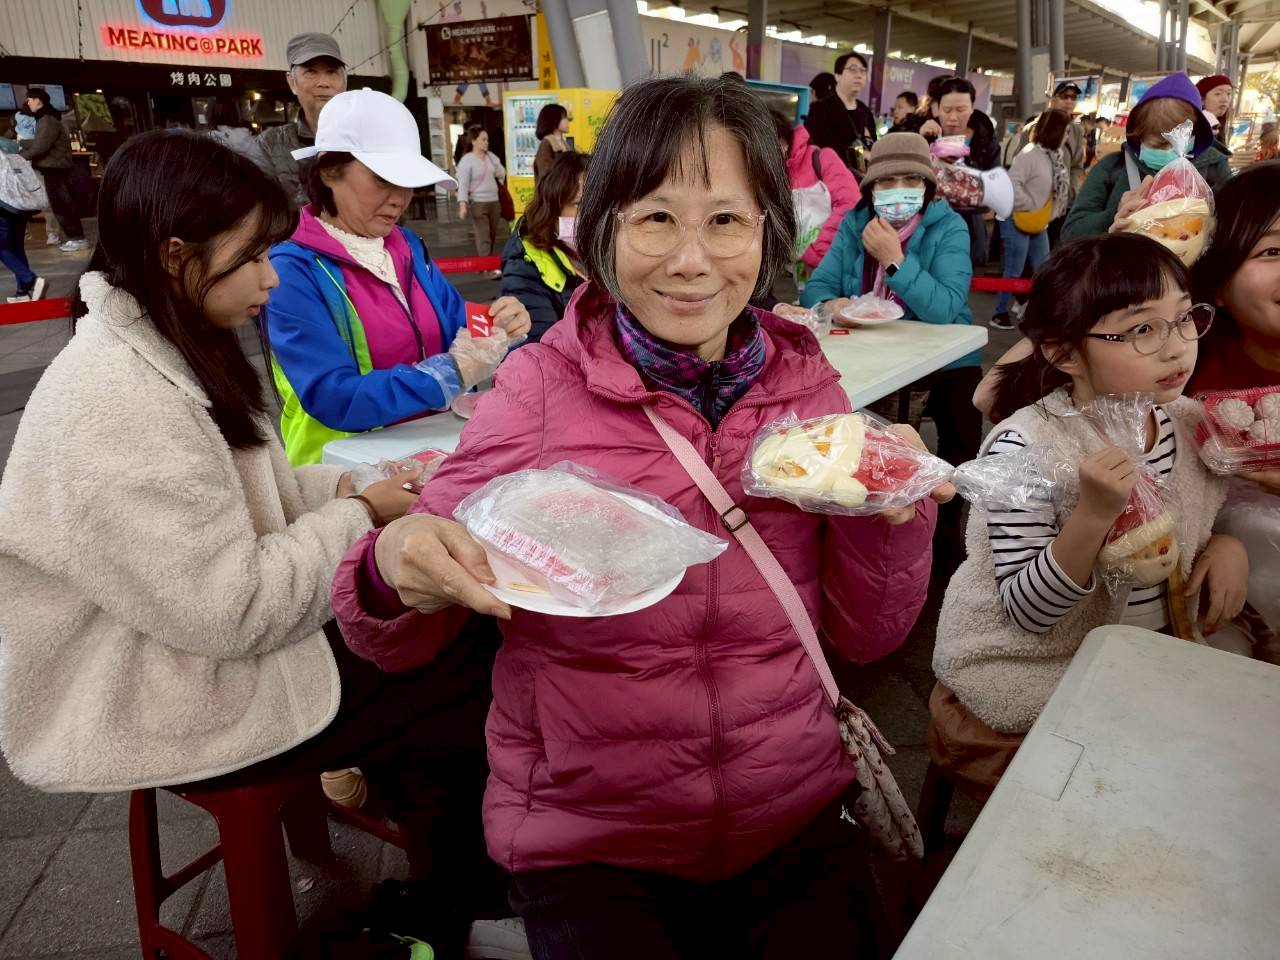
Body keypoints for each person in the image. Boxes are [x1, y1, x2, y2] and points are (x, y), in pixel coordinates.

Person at [333, 74, 948, 960]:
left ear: (770, 232)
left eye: (727, 220)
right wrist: (393, 568)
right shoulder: (538, 388)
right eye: (657, 217)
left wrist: (888, 511)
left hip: (795, 807)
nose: (692, 259)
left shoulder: (805, 387)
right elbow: (388, 635)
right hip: (593, 840)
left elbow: (869, 637)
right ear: (602, 229)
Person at [0, 129, 520, 956]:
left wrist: (357, 494)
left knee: (442, 637)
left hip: (188, 632)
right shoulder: (114, 400)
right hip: (159, 684)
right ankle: (457, 896)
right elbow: (229, 608)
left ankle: (447, 872)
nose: (271, 279)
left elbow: (253, 497)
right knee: (456, 660)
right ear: (176, 254)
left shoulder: (166, 341)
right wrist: (359, 520)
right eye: (251, 258)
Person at [931, 233, 1244, 797]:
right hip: (1040, 668)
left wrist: (1228, 544)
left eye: (1183, 319)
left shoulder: (1189, 424)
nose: (1177, 349)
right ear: (1063, 352)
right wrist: (1094, 513)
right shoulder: (1025, 448)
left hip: (1149, 656)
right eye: (1142, 329)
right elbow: (1028, 612)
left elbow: (1203, 511)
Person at [264, 90, 531, 466]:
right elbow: (332, 395)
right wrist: (446, 374)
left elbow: (457, 322)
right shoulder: (292, 270)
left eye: (408, 182)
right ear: (328, 171)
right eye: (383, 179)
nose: (400, 199)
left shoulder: (403, 246)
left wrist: (500, 325)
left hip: (427, 453)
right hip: (345, 474)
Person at [799, 132, 980, 570]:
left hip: (943, 357)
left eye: (908, 179)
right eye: (886, 182)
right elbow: (816, 290)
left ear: (927, 186)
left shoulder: (949, 226)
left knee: (961, 425)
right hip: (866, 350)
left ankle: (948, 526)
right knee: (842, 420)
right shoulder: (853, 223)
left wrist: (894, 260)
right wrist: (833, 305)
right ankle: (860, 526)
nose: (897, 190)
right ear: (871, 189)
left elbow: (944, 307)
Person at [1061, 73, 1232, 241]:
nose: (1167, 152)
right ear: (1138, 135)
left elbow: (1237, 230)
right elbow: (1071, 232)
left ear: (1194, 135)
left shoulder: (1214, 168)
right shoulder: (1112, 167)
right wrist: (1114, 214)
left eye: (1175, 143)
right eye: (1158, 145)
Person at [991, 110, 1070, 330]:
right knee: (1013, 269)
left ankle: (1029, 308)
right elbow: (1011, 185)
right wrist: (1030, 205)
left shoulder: (1055, 156)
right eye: (1065, 130)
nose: (1067, 135)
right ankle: (999, 313)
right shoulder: (1029, 154)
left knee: (1043, 268)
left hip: (1039, 222)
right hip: (1016, 218)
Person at [499, 150, 589, 342]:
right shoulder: (525, 270)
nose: (591, 214)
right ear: (552, 207)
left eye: (598, 203)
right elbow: (539, 353)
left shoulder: (606, 256)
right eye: (579, 204)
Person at [253, 32, 347, 209]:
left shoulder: (367, 136)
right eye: (311, 71)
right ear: (292, 82)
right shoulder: (269, 145)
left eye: (332, 72)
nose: (323, 82)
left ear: (345, 80)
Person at [772, 110, 860, 288]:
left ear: (782, 139)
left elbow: (850, 204)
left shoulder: (821, 158)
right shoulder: (771, 174)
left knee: (836, 304)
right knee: (807, 299)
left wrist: (815, 252)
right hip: (800, 266)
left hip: (835, 260)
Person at [19, 87, 86, 252]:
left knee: (62, 205)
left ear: (38, 101)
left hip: (55, 169)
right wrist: (22, 144)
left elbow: (41, 146)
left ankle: (77, 238)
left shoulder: (47, 119)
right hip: (54, 168)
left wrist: (22, 155)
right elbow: (40, 141)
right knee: (60, 205)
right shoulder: (46, 118)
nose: (28, 103)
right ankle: (75, 237)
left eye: (30, 99)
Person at [804, 52, 878, 173]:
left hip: (861, 178)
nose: (859, 75)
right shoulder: (820, 109)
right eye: (853, 70)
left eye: (863, 71)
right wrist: (859, 154)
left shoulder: (865, 111)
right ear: (838, 76)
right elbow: (820, 148)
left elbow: (871, 144)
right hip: (831, 178)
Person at [0, 148, 48, 303]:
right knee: (17, 246)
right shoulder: (8, 145)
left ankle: (31, 280)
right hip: (19, 202)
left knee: (2, 247)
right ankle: (22, 292)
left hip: (3, 205)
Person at [456, 124, 508, 264]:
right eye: (483, 139)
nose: (486, 142)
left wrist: (500, 173)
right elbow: (463, 184)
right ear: (473, 141)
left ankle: (485, 263)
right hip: (478, 204)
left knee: (491, 236)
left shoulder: (491, 157)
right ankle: (487, 267)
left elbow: (503, 171)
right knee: (483, 237)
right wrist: (463, 204)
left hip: (494, 202)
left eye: (487, 140)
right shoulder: (467, 161)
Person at [533, 103, 572, 183]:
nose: (567, 121)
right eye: (564, 117)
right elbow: (545, 175)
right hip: (553, 194)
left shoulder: (564, 143)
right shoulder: (546, 144)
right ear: (555, 120)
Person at [1196, 73, 1234, 155]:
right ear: (1201, 99)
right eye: (1218, 94)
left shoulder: (1218, 126)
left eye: (1228, 94)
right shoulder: (1197, 126)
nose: (1225, 99)